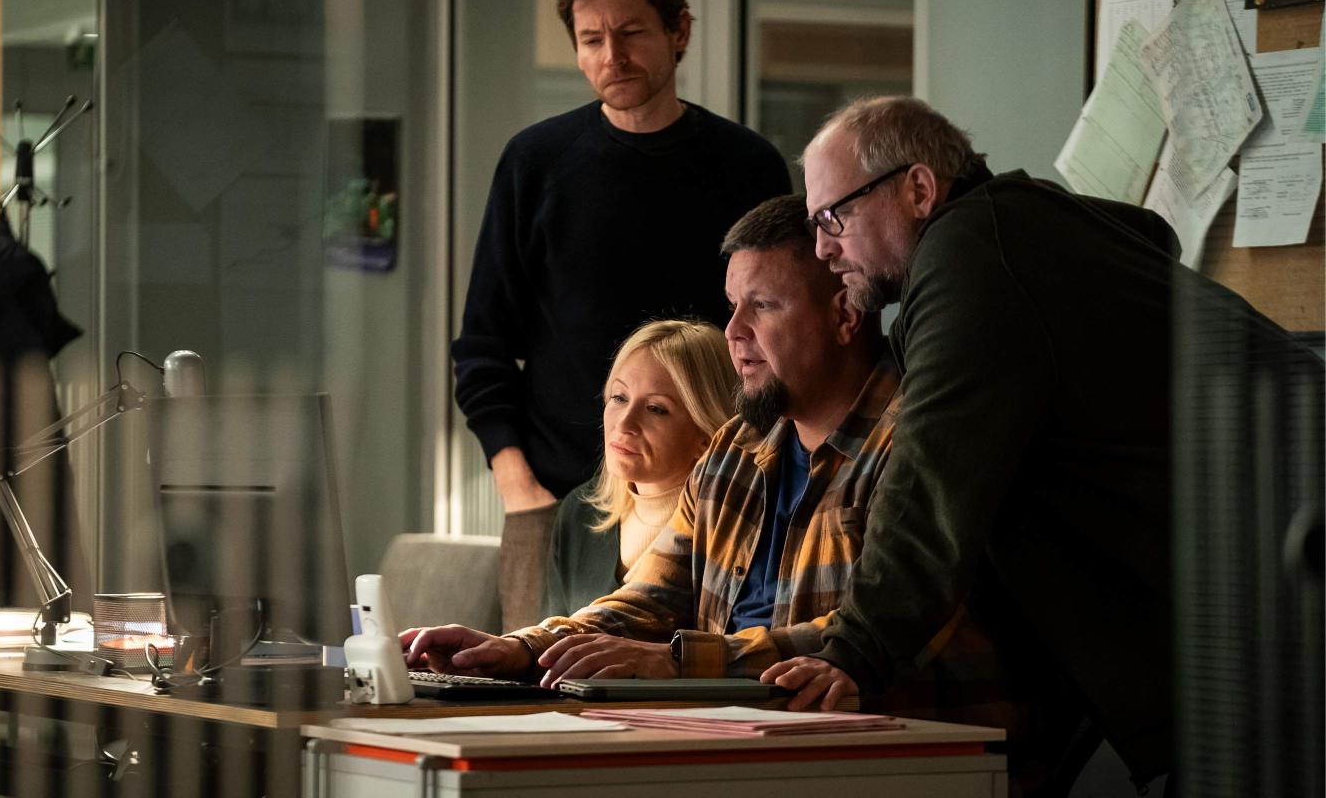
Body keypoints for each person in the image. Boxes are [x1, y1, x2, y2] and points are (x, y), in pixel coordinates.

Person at [770, 95, 1321, 792]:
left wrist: (855, 651)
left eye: (833, 217)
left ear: (919, 190)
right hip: (1259, 604)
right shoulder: (1024, 233)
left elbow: (930, 480)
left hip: (1281, 607)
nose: (824, 249)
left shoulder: (976, 256)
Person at [410, 196, 1021, 741]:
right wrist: (519, 649)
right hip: (741, 742)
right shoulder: (737, 447)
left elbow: (871, 631)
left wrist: (679, 661)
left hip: (896, 752)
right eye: (732, 306)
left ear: (844, 316)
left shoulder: (916, 440)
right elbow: (649, 598)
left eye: (763, 307)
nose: (733, 333)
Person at [450, 0, 789, 628]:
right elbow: (483, 345)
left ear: (678, 31)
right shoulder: (535, 162)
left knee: (692, 682)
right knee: (532, 682)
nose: (613, 55)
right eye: (592, 39)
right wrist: (519, 487)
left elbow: (778, 339)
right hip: (554, 501)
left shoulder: (745, 165)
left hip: (711, 500)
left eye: (631, 32)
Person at [543, 318, 736, 617]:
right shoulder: (579, 512)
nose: (624, 423)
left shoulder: (731, 530)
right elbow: (547, 639)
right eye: (619, 397)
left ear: (707, 435)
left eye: (655, 409)